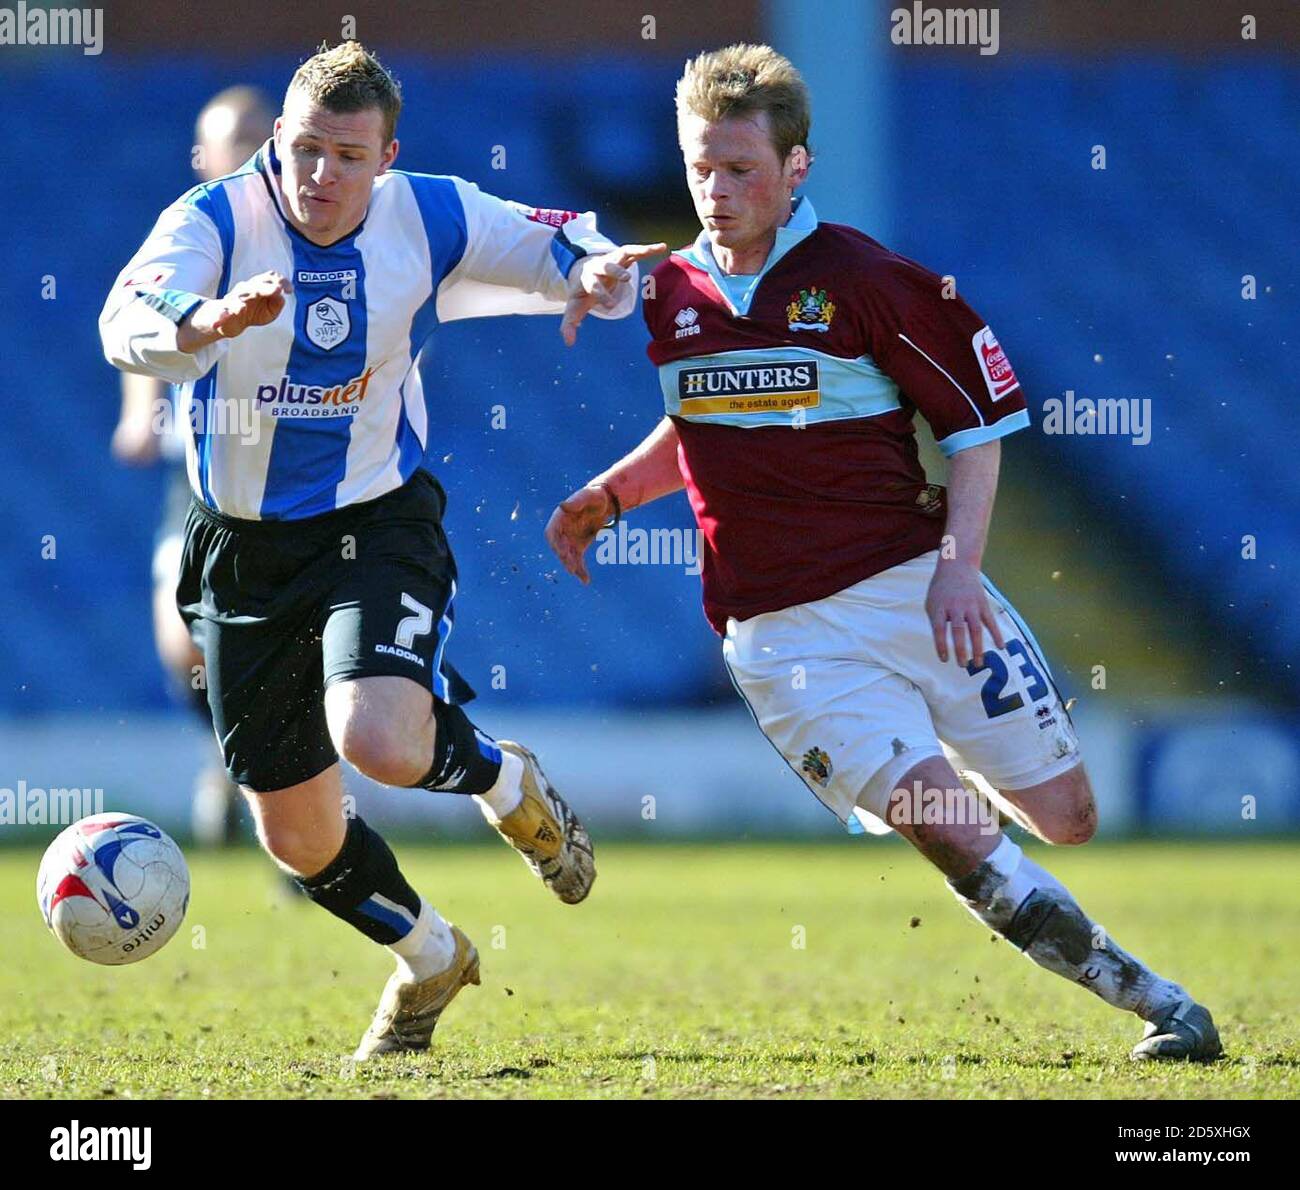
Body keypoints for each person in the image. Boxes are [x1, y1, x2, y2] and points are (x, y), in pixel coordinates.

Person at [545, 43, 1220, 1062]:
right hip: (781, 641)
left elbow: (979, 426)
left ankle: (931, 748)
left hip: (915, 589)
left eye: (740, 170)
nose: (715, 191)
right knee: (946, 827)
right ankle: (1159, 1003)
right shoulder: (669, 292)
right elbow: (705, 424)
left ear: (796, 167)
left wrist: (957, 565)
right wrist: (609, 491)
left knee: (1068, 815)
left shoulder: (867, 281)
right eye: (698, 168)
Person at [100, 41, 661, 1060]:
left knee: (381, 738)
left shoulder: (428, 212)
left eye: (347, 156)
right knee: (297, 836)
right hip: (240, 548)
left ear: (386, 156)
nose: (320, 176)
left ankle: (501, 778)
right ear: (276, 139)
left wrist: (593, 265)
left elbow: (556, 238)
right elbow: (126, 314)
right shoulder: (216, 220)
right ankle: (431, 954)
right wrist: (202, 320)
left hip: (375, 520)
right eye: (304, 149)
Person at [111, 85, 275, 848]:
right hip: (198, 469)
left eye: (253, 135)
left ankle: (282, 791)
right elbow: (144, 316)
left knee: (277, 643)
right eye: (226, 138)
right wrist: (137, 410)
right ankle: (231, 762)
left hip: (285, 471)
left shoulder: (300, 231)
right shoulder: (191, 234)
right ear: (202, 156)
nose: (241, 150)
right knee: (180, 643)